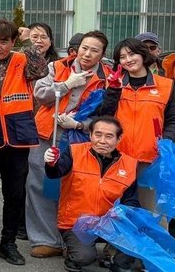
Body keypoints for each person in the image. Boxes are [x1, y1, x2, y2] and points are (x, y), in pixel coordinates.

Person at [26, 30, 111, 259]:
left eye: (94, 50)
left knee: (76, 189)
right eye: (84, 48)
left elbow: (109, 113)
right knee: (40, 185)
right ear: (77, 49)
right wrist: (66, 85)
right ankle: (46, 239)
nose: (87, 54)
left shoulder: (107, 77)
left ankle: (75, 239)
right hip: (47, 135)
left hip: (83, 139)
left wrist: (80, 124)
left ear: (102, 54)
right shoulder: (57, 67)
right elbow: (40, 94)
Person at [0, 18, 45, 265]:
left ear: (13, 42)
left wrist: (27, 42)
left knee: (14, 194)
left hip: (18, 138)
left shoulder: (22, 60)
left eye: (4, 41)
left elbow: (41, 70)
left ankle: (9, 242)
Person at [43, 115, 139, 272]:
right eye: (98, 135)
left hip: (109, 223)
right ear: (90, 135)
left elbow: (131, 201)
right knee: (84, 257)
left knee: (137, 236)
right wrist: (50, 163)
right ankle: (73, 254)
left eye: (109, 136)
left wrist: (127, 220)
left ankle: (117, 262)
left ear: (119, 139)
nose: (102, 141)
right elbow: (55, 173)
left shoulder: (129, 164)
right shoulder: (74, 151)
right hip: (76, 223)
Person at [96, 36, 175, 211]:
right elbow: (104, 116)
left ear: (142, 54)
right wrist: (114, 90)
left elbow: (174, 119)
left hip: (151, 159)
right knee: (115, 211)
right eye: (122, 57)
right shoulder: (113, 83)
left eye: (132, 54)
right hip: (117, 157)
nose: (128, 60)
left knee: (150, 211)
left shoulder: (166, 85)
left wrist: (164, 141)